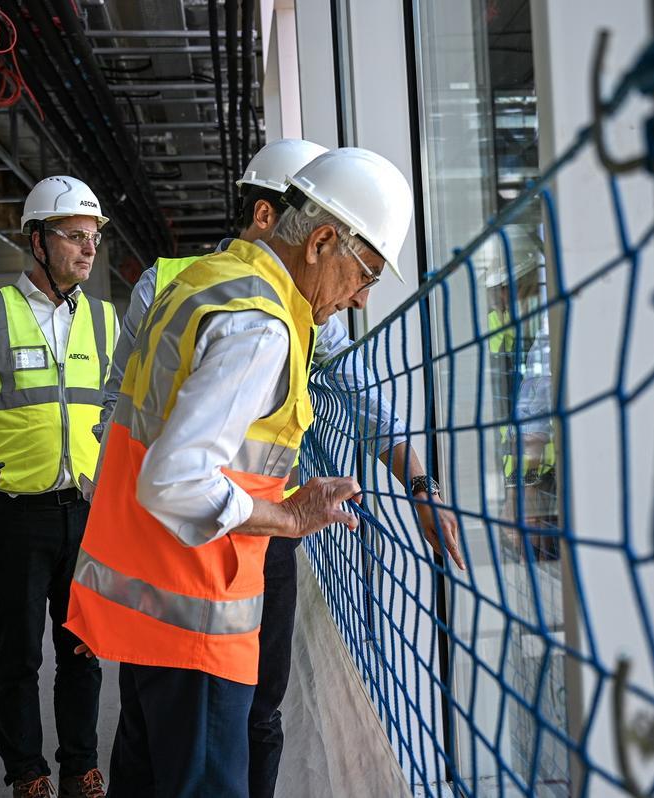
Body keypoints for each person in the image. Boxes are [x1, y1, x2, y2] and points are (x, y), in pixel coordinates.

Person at [100, 138, 464, 798]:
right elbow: (173, 478)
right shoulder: (261, 324)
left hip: (153, 577)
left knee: (146, 763)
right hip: (200, 602)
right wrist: (288, 515)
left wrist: (415, 478)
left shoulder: (198, 284)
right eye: (368, 274)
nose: (360, 299)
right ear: (321, 241)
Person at [0, 176, 119, 798]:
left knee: (83, 648)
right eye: (74, 236)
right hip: (13, 514)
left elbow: (112, 410)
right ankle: (27, 773)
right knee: (17, 654)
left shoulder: (104, 320)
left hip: (84, 511)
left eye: (93, 238)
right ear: (35, 241)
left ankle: (80, 766)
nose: (87, 249)